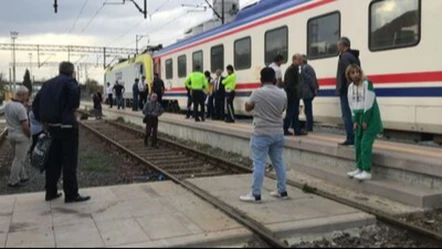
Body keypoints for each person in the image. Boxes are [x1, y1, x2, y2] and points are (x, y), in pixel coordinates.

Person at [34, 61, 90, 203]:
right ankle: (71, 194)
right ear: (71, 72)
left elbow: (35, 105)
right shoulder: (70, 82)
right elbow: (74, 103)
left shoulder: (46, 84)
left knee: (52, 161)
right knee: (69, 161)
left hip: (51, 128)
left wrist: (43, 120)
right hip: (67, 127)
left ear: (59, 70)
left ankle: (50, 191)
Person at [240, 67, 288, 203]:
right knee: (278, 162)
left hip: (261, 133)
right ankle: (282, 190)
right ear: (274, 79)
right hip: (278, 132)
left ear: (261, 79)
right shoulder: (282, 93)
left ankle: (255, 194)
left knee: (259, 163)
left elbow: (248, 107)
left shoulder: (257, 93)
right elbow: (283, 108)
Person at [346, 64, 382, 181]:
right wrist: (355, 120)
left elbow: (369, 103)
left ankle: (367, 170)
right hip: (359, 117)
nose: (355, 74)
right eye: (352, 73)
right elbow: (352, 105)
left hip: (370, 118)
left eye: (357, 72)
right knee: (357, 143)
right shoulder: (351, 87)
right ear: (349, 75)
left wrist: (365, 120)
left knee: (365, 144)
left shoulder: (367, 84)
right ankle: (359, 167)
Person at [4, 86, 31, 188]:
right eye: (26, 94)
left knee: (18, 157)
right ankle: (13, 181)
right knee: (19, 159)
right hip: (21, 136)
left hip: (11, 135)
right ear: (22, 95)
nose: (27, 97)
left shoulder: (8, 105)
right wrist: (29, 135)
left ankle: (22, 175)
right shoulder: (20, 108)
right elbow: (25, 125)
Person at [336, 37, 361, 146]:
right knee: (354, 113)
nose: (338, 48)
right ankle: (356, 138)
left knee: (347, 114)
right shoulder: (354, 57)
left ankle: (350, 137)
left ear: (342, 46)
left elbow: (347, 74)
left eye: (339, 46)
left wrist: (344, 88)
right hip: (354, 88)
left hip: (346, 90)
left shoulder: (344, 57)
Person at [283, 54, 306, 136]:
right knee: (291, 112)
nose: (301, 61)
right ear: (294, 60)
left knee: (294, 113)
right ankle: (285, 129)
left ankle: (297, 130)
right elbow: (290, 84)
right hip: (291, 95)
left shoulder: (295, 69)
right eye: (299, 59)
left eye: (301, 59)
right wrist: (297, 91)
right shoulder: (291, 70)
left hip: (294, 95)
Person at [300, 54, 319, 132]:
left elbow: (309, 80)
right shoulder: (309, 67)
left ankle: (309, 127)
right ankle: (309, 125)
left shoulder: (304, 68)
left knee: (308, 109)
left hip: (307, 91)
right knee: (308, 109)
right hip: (309, 91)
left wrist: (313, 88)